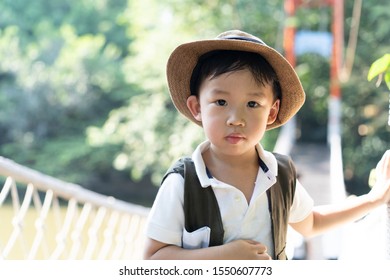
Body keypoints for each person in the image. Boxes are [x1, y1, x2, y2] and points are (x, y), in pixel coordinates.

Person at [143, 30, 390, 260]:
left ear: (271, 113)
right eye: (220, 101)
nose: (236, 119)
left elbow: (312, 223)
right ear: (197, 108)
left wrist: (374, 199)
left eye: (252, 104)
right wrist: (225, 257)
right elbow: (152, 260)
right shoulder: (183, 182)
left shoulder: (280, 175)